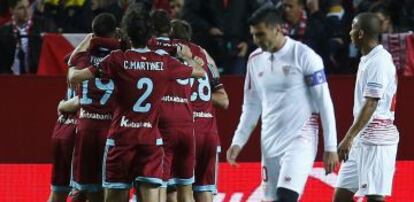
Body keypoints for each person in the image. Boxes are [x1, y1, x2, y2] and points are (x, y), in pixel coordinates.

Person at [68, 4, 205, 202]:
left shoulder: (116, 59)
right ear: (150, 34)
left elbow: (76, 77)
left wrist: (74, 64)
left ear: (126, 33)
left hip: (121, 140)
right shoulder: (163, 62)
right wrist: (184, 55)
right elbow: (200, 71)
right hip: (150, 141)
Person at [226, 6, 338, 202]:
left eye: (260, 34)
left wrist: (331, 147)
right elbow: (252, 105)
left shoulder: (304, 55)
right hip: (269, 143)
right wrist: (238, 141)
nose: (256, 40)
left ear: (277, 28)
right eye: (253, 35)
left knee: (286, 197)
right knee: (271, 199)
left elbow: (324, 102)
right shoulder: (254, 59)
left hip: (301, 140)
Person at [334, 12, 399, 202]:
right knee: (341, 197)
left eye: (352, 28)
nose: (349, 33)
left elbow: (372, 103)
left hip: (377, 139)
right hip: (362, 138)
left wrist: (348, 137)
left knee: (374, 198)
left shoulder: (379, 61)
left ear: (361, 33)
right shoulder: (368, 59)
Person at [169, 19, 229, 202]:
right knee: (204, 191)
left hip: (182, 132)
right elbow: (224, 100)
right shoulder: (204, 55)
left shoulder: (167, 54)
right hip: (208, 135)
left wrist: (184, 96)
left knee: (171, 192)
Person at [67, 13, 122, 202]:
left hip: (86, 129)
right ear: (115, 32)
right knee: (114, 191)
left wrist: (87, 40)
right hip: (111, 131)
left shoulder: (83, 56)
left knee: (82, 191)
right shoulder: (121, 57)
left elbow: (70, 64)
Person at [146, 9, 196, 202]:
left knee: (159, 185)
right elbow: (200, 72)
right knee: (185, 188)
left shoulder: (149, 50)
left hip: (162, 121)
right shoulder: (192, 51)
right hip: (186, 121)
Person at [0, 0, 56, 74]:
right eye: (21, 8)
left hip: (39, 76)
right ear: (11, 10)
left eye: (28, 7)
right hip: (12, 78)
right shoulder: (3, 32)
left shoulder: (45, 26)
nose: (26, 11)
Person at [48, 88, 80, 202]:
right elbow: (84, 98)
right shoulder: (96, 71)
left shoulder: (74, 71)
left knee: (57, 193)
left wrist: (62, 105)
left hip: (61, 128)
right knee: (83, 193)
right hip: (78, 133)